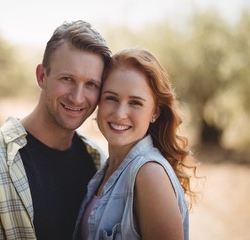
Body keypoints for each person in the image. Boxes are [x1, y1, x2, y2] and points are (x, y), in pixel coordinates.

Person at [0, 20, 111, 240]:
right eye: (67, 79)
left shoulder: (98, 162)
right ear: (41, 76)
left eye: (91, 84)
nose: (77, 97)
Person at [73, 48, 198, 240]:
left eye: (135, 103)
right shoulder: (105, 169)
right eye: (111, 98)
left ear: (155, 112)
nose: (120, 113)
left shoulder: (149, 174)